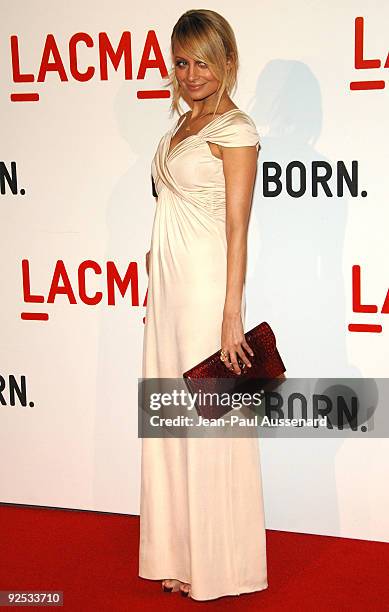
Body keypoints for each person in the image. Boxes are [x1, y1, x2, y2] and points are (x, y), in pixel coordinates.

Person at [139, 9, 268, 601]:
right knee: (171, 422)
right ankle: (181, 551)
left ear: (228, 63)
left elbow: (238, 228)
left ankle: (221, 563)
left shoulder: (234, 129)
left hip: (205, 293)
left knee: (209, 423)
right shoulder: (178, 129)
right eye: (183, 61)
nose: (191, 74)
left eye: (204, 62)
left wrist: (231, 315)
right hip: (168, 293)